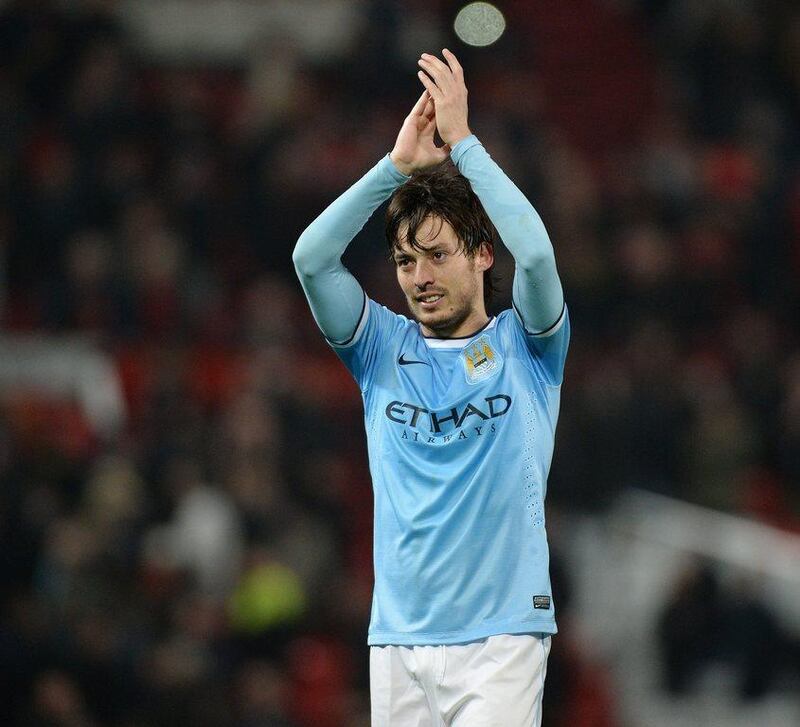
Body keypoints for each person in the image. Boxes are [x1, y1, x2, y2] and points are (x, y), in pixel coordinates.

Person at [293, 49, 568, 726]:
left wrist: (465, 145)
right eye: (405, 260)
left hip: (501, 637)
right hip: (398, 640)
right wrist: (394, 169)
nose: (417, 275)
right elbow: (310, 258)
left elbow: (534, 253)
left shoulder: (526, 348)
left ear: (480, 253)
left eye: (437, 254)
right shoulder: (381, 348)